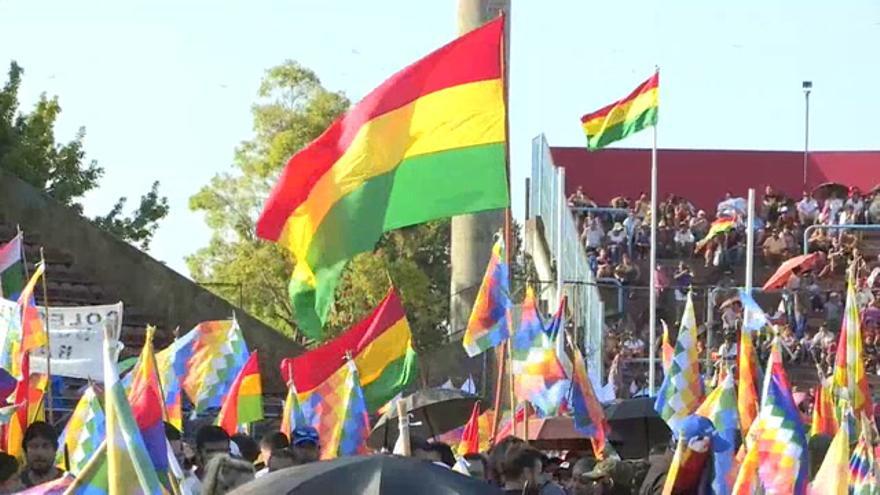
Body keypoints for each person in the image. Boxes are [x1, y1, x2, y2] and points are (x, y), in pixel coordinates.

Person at [16, 421, 64, 489]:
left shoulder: (69, 483)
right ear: (25, 451)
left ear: (55, 450)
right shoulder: (15, 485)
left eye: (45, 446)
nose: (39, 453)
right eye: (34, 446)